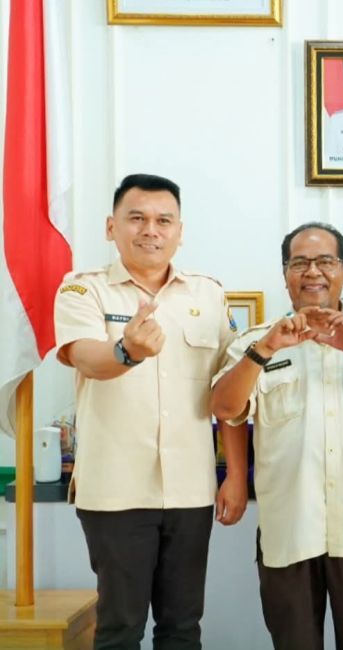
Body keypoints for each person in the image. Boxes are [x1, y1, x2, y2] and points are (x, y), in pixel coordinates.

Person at [54, 173, 247, 649]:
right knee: (120, 628)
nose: (150, 231)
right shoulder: (83, 291)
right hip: (116, 489)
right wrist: (127, 351)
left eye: (164, 221)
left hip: (190, 489)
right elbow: (85, 357)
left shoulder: (208, 294)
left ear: (180, 231)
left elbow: (230, 393)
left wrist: (236, 475)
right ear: (111, 227)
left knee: (182, 628)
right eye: (136, 218)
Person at [211, 222, 343, 650]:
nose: (313, 272)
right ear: (285, 274)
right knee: (293, 642)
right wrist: (265, 351)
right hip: (290, 524)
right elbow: (226, 408)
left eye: (325, 261)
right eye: (299, 263)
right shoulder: (256, 341)